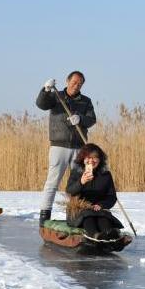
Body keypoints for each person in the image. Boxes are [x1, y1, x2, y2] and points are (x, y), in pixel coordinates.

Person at [36, 71, 97, 226]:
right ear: (67, 81)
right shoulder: (56, 96)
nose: (76, 86)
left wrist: (80, 119)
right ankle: (44, 216)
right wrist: (45, 90)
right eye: (74, 82)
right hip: (59, 146)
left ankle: (74, 215)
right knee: (52, 182)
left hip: (79, 147)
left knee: (78, 183)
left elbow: (92, 120)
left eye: (80, 84)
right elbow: (41, 104)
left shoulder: (86, 101)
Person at [65, 143, 124, 240]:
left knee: (103, 217)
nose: (91, 161)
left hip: (98, 209)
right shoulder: (77, 172)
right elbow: (70, 191)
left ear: (100, 159)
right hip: (79, 209)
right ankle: (95, 236)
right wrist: (81, 182)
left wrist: (102, 205)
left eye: (95, 158)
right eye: (88, 158)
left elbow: (111, 196)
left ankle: (110, 234)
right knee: (88, 216)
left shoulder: (105, 175)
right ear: (83, 159)